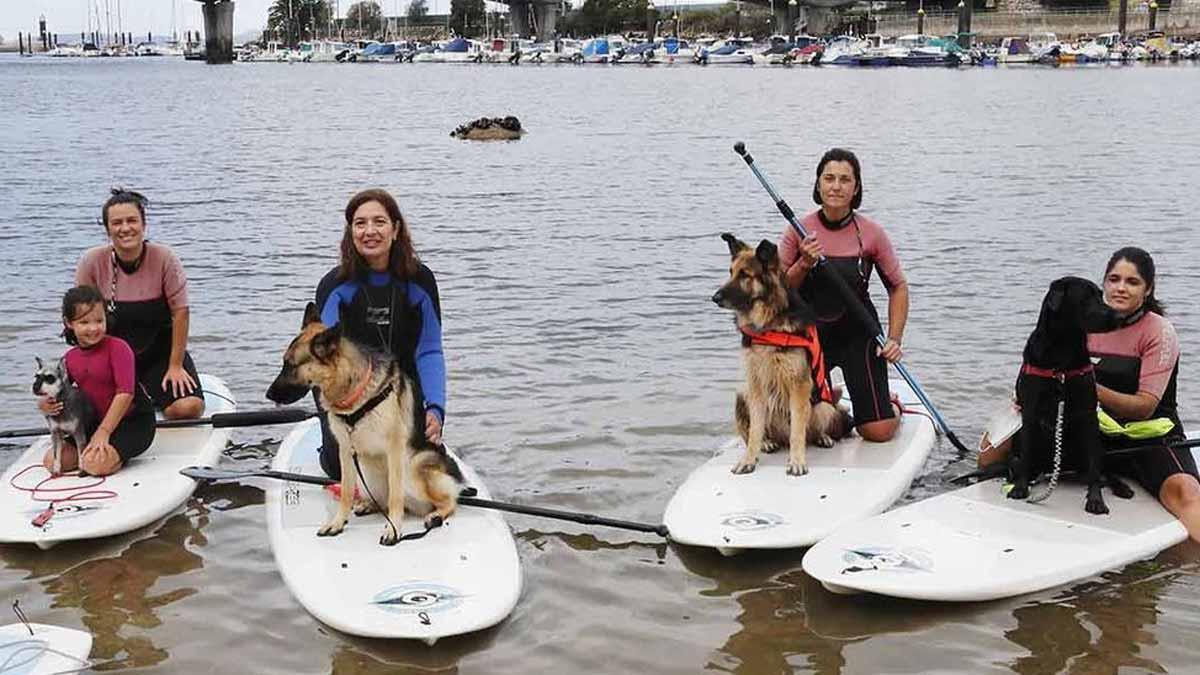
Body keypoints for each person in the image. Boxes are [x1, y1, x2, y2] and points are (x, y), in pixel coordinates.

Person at [778, 148, 909, 442]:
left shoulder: (871, 233)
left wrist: (894, 338)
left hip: (858, 335)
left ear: (856, 188)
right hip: (809, 338)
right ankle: (831, 398)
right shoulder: (798, 230)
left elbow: (898, 287)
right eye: (829, 178)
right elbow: (778, 293)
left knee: (877, 433)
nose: (836, 186)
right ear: (818, 184)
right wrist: (803, 263)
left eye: (845, 180)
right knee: (799, 427)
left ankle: (893, 406)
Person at [314, 188, 446, 479]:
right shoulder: (334, 287)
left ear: (396, 229)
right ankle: (328, 444)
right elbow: (323, 363)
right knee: (343, 468)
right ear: (351, 233)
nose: (369, 231)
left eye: (379, 222)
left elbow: (430, 350)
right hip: (348, 394)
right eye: (360, 224)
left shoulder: (420, 280)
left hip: (403, 391)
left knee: (422, 461)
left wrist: (435, 409)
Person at [1088, 247, 1200, 541]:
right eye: (1114, 279)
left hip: (1149, 440)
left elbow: (1144, 407)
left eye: (1132, 282)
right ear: (1104, 283)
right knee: (997, 444)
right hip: (1096, 437)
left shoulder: (1159, 333)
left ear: (1148, 289)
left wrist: (1086, 387)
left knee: (1186, 493)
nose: (1120, 288)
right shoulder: (1083, 324)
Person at [75, 189, 205, 420]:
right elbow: (81, 322)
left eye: (131, 220)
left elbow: (181, 313)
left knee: (188, 409)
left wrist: (175, 365)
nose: (125, 228)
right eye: (117, 223)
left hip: (161, 355)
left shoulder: (164, 258)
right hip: (112, 358)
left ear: (143, 225)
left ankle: (154, 395)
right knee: (96, 414)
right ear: (107, 229)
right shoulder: (92, 261)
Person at [38, 286, 156, 476]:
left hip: (132, 422)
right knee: (51, 462)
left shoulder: (119, 348)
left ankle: (112, 457)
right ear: (69, 323)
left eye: (99, 321)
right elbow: (60, 392)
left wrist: (104, 433)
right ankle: (96, 453)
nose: (93, 328)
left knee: (95, 466)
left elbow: (125, 393)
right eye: (84, 322)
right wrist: (45, 405)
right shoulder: (70, 358)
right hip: (93, 422)